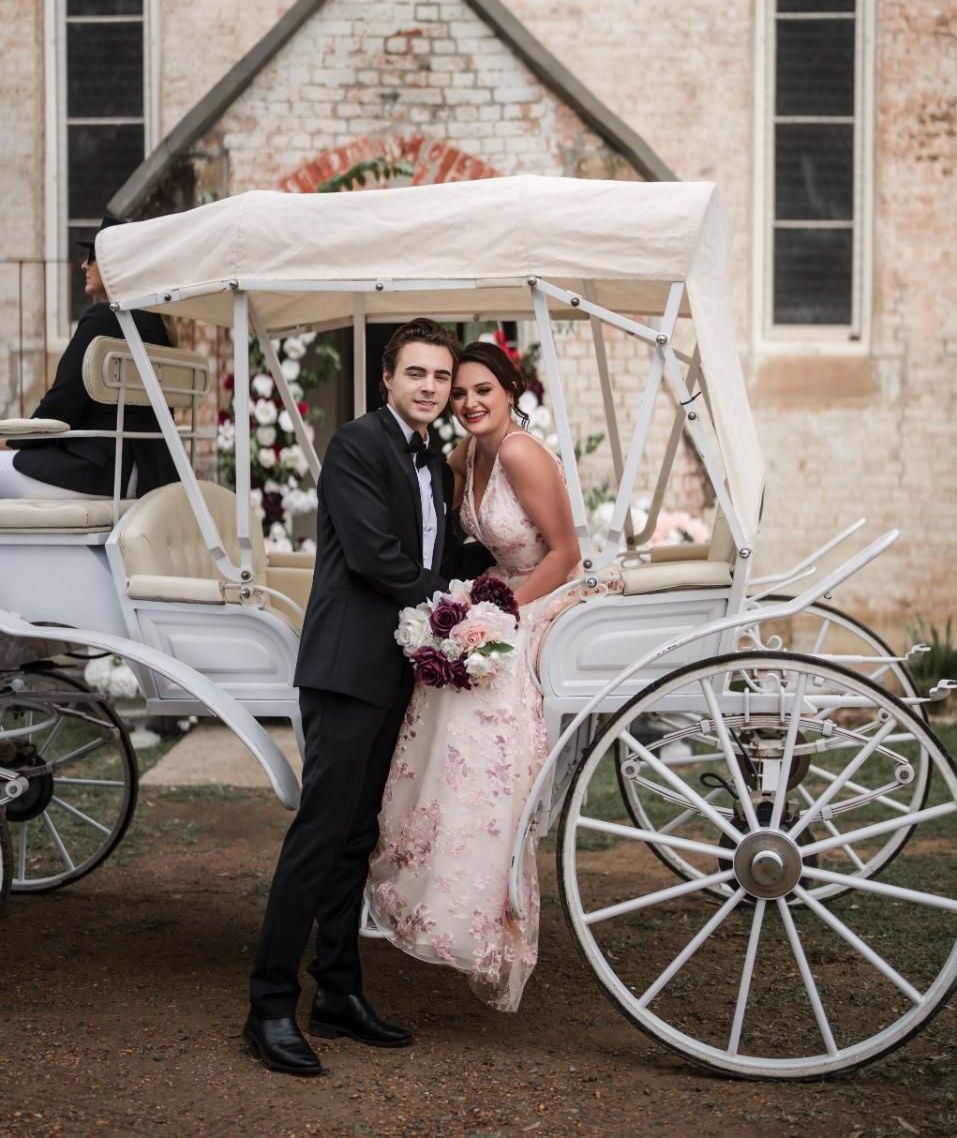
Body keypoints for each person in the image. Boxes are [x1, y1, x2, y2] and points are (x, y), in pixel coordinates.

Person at [246, 318, 494, 1077]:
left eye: (440, 377)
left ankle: (338, 993)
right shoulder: (357, 445)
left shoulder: (433, 461)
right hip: (346, 665)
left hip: (394, 669)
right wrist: (453, 611)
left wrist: (502, 574)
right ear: (387, 379)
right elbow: (374, 556)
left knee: (358, 836)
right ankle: (267, 1006)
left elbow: (436, 553)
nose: (428, 387)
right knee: (319, 836)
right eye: (415, 373)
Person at [366, 339, 580, 1012]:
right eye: (459, 393)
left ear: (510, 391)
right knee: (440, 682)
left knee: (482, 698)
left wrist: (498, 618)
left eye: (481, 390)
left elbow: (567, 554)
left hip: (546, 591)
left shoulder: (517, 450)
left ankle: (483, 901)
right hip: (498, 591)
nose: (468, 403)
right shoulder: (469, 452)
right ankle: (425, 879)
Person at [0, 213, 177, 500]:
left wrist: (14, 439)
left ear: (113, 262)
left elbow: (62, 404)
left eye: (93, 256)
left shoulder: (103, 319)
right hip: (149, 473)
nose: (84, 264)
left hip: (100, 473)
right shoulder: (160, 326)